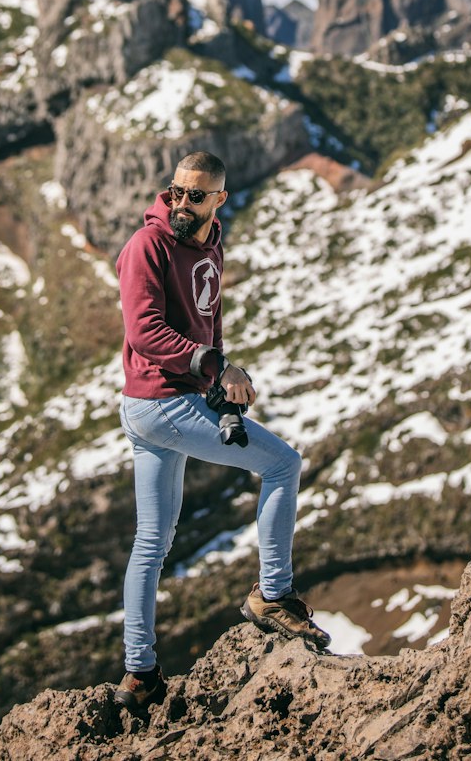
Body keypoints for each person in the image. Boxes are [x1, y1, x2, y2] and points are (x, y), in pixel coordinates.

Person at [114, 150, 329, 718]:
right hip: (159, 402)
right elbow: (144, 332)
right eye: (177, 192)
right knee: (283, 464)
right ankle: (273, 595)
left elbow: (207, 319)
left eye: (196, 195)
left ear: (219, 200)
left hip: (166, 402)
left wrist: (217, 375)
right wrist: (212, 367)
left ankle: (141, 676)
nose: (181, 204)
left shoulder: (210, 247)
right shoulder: (148, 246)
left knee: (152, 541)